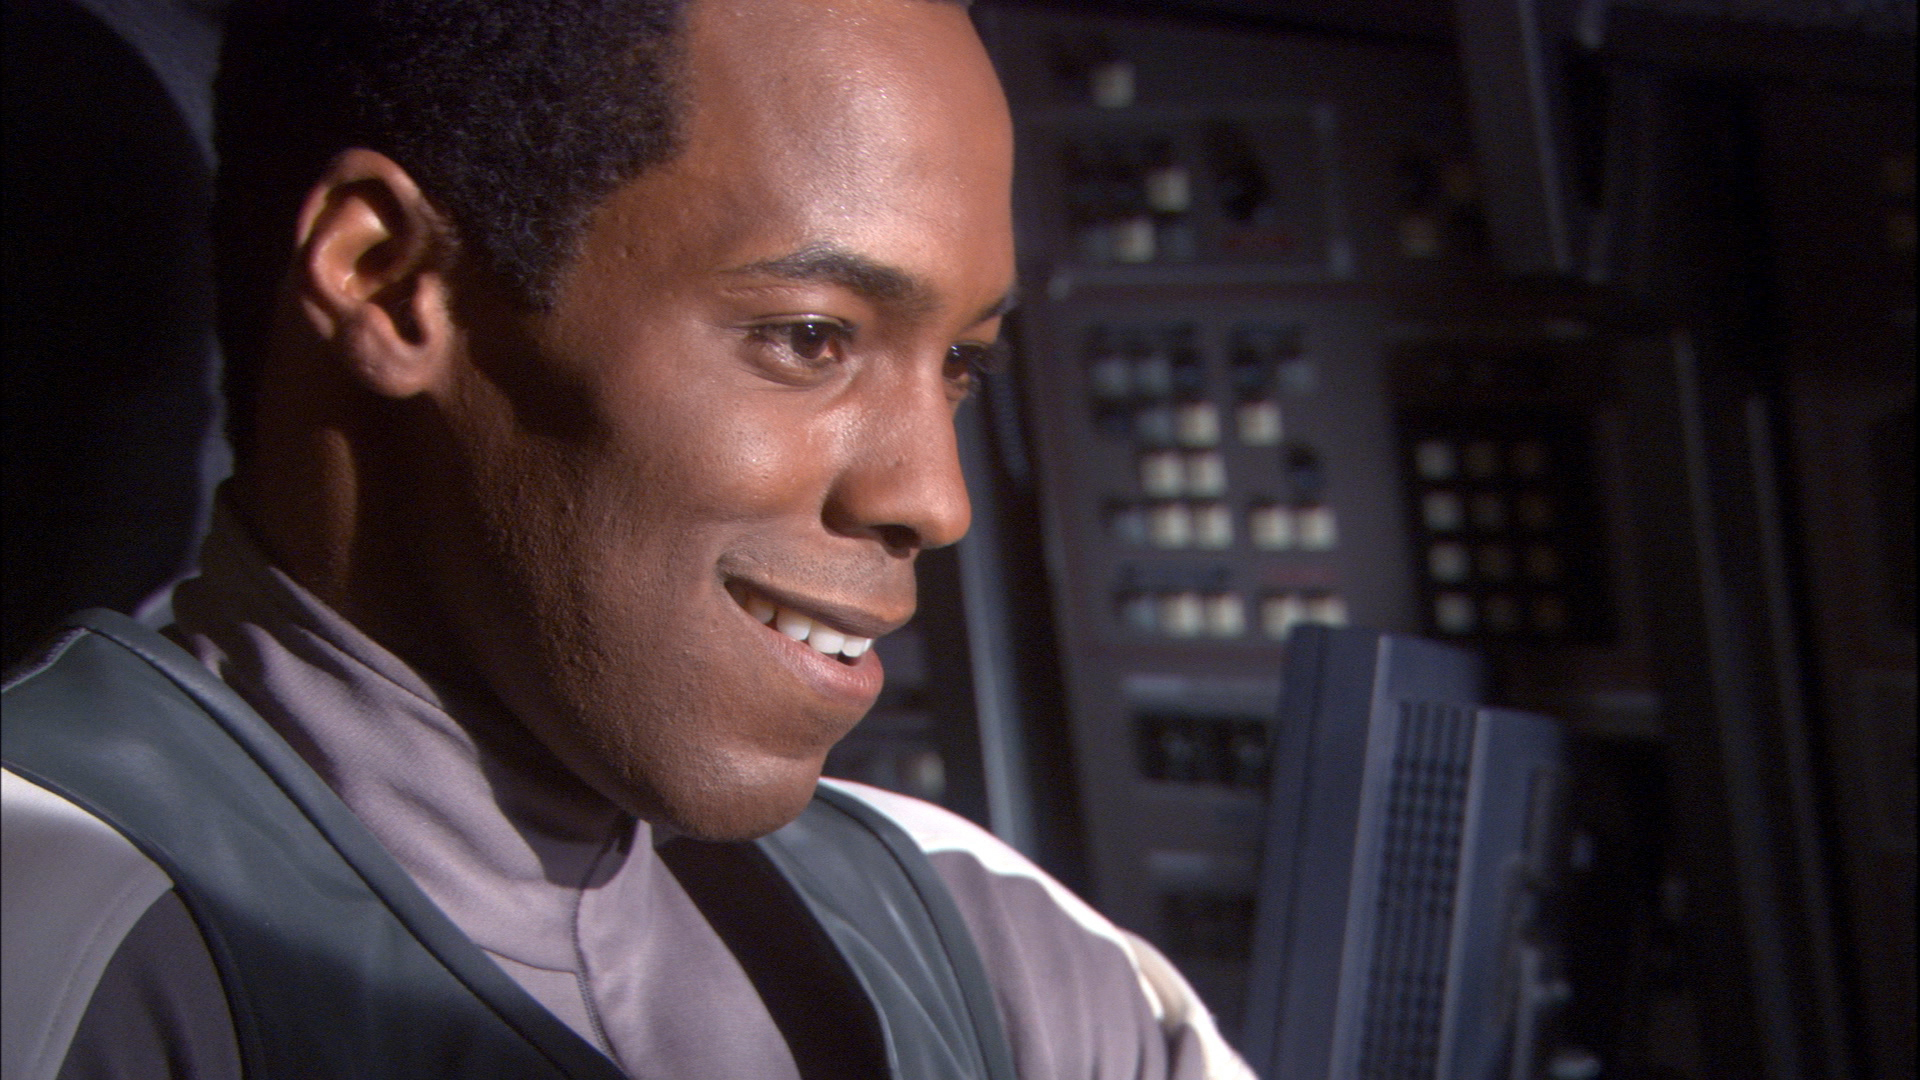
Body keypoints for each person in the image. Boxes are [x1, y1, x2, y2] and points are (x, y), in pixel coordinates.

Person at [1, 0, 1253, 1077]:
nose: (935, 499)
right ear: (390, 282)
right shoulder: (63, 941)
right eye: (810, 337)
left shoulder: (991, 943)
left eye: (962, 364)